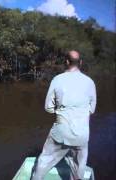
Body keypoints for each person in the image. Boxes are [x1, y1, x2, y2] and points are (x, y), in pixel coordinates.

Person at [31, 50, 97, 180]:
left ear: (66, 62)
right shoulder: (90, 82)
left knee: (45, 160)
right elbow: (92, 109)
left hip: (62, 131)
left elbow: (48, 107)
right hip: (82, 133)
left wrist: (62, 110)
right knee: (79, 166)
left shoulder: (57, 79)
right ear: (81, 63)